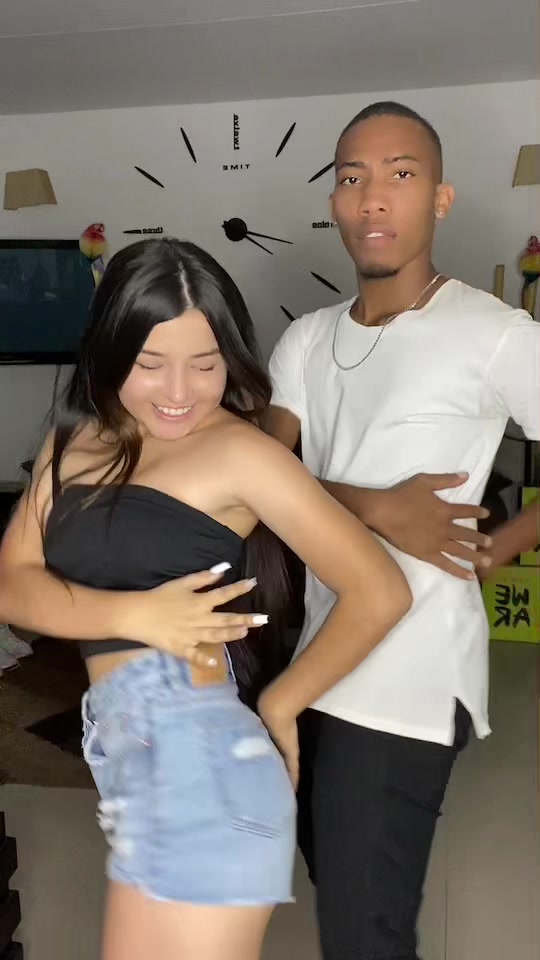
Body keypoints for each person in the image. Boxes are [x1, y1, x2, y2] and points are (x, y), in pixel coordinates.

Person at [0, 237, 411, 960]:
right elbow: (13, 585)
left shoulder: (241, 453)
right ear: (110, 351)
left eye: (205, 363)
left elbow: (380, 589)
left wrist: (282, 704)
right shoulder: (75, 440)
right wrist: (136, 614)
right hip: (136, 771)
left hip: (206, 772)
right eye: (150, 363)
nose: (179, 391)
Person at [267, 101, 540, 960]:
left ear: (441, 199)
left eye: (401, 174)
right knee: (343, 890)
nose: (373, 196)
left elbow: (275, 485)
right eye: (352, 178)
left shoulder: (494, 334)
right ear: (335, 203)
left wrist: (500, 547)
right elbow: (256, 479)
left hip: (409, 675)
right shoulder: (306, 339)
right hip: (316, 655)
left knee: (363, 932)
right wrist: (375, 504)